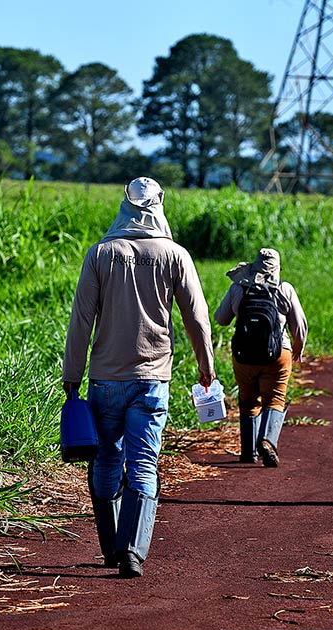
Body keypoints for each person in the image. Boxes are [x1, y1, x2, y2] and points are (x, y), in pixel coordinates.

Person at [63, 176, 215, 578]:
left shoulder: (101, 253)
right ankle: (133, 551)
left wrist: (72, 374)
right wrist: (206, 365)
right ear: (160, 204)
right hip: (151, 379)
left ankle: (111, 545)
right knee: (144, 461)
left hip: (104, 380)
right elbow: (196, 318)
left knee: (108, 459)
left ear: (124, 205)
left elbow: (81, 320)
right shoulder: (176, 255)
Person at [214, 248, 307, 467]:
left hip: (244, 355)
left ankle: (248, 452)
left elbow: (221, 319)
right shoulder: (285, 289)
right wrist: (298, 347)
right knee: (274, 399)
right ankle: (267, 440)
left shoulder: (238, 288)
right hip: (278, 354)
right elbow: (300, 325)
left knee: (247, 401)